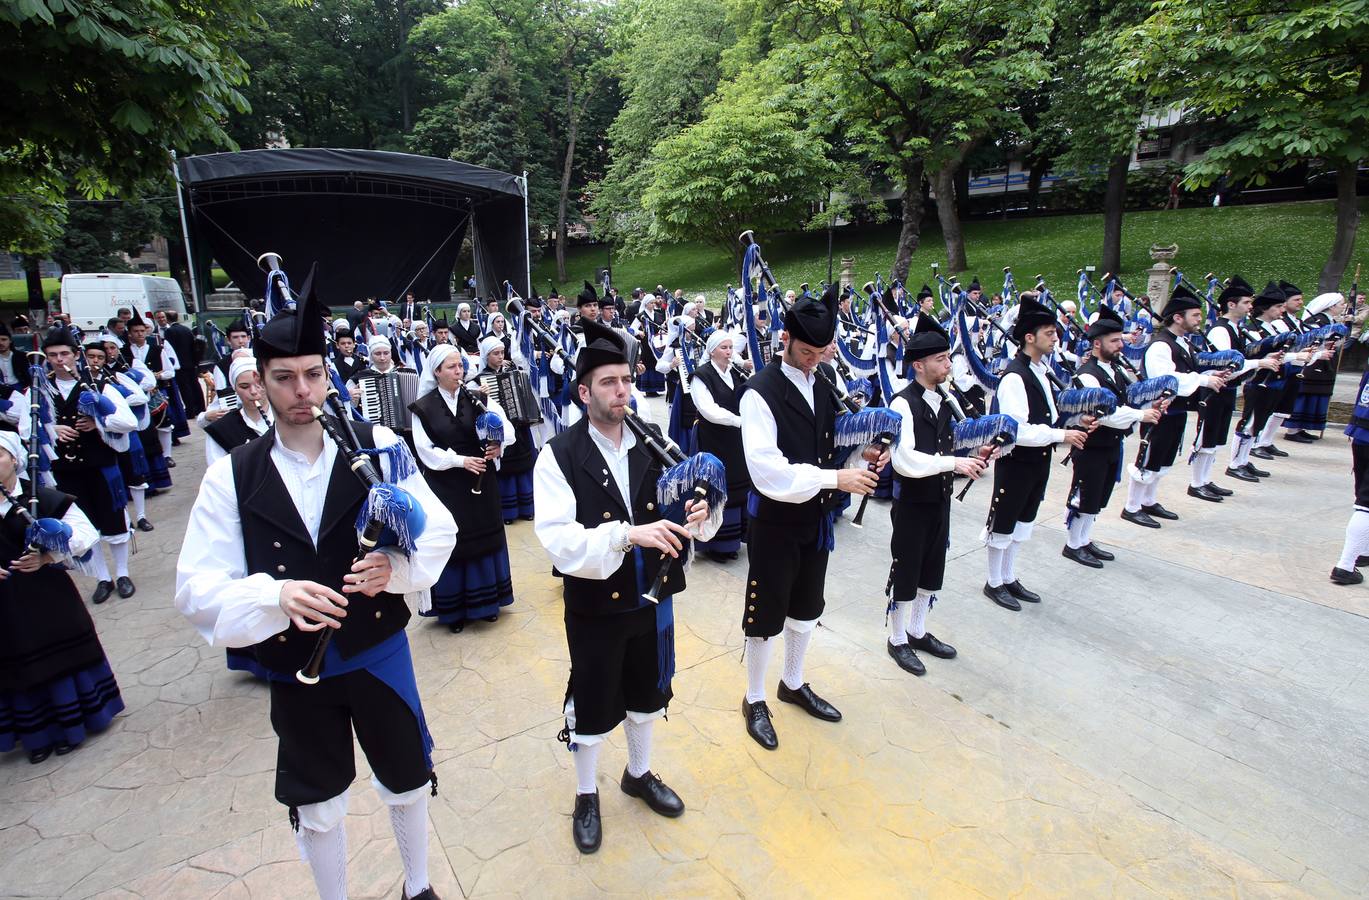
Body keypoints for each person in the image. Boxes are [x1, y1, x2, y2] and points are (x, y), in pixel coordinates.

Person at [175, 277, 457, 900]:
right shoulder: (231, 475)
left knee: (407, 779)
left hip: (380, 654)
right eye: (283, 378)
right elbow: (195, 586)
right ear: (260, 381)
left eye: (312, 374)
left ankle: (418, 886)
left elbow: (437, 527)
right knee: (320, 801)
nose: (301, 392)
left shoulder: (377, 445)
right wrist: (273, 598)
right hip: (294, 667)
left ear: (328, 374)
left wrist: (397, 570)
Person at [533, 317, 716, 854]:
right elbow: (559, 542)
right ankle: (586, 793)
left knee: (646, 690)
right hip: (595, 604)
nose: (622, 391)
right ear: (585, 391)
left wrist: (700, 511)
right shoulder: (559, 455)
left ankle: (638, 773)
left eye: (626, 380)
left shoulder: (651, 440)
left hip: (653, 601)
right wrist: (626, 536)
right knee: (591, 700)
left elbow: (688, 510)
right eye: (609, 383)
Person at [739, 284, 884, 751]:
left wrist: (865, 451)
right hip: (776, 522)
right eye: (806, 350)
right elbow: (767, 472)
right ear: (785, 339)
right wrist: (835, 480)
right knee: (765, 615)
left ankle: (793, 682)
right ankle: (754, 696)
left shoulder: (821, 381)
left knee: (806, 608)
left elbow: (831, 439)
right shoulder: (757, 393)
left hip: (815, 520)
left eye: (822, 352)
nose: (813, 360)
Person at [0, 429, 123, 764]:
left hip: (47, 599)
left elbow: (85, 535)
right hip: (5, 608)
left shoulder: (43, 499)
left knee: (56, 660)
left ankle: (71, 726)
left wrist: (50, 554)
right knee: (15, 664)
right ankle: (35, 736)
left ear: (14, 459)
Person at [885, 317, 986, 675]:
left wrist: (975, 449)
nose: (948, 365)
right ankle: (897, 638)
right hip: (912, 501)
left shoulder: (943, 398)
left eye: (948, 358)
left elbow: (950, 439)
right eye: (941, 359)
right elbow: (905, 459)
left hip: (939, 497)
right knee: (907, 568)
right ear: (918, 365)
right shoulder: (902, 403)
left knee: (932, 568)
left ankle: (917, 629)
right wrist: (954, 463)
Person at [982, 296, 1090, 610]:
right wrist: (1062, 434)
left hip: (1037, 460)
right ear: (1029, 337)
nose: (1056, 337)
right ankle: (993, 582)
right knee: (1002, 523)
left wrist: (1073, 421)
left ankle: (1008, 576)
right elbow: (1019, 429)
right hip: (1017, 461)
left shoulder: (1040, 370)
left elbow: (1044, 414)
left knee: (1022, 522)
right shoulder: (1015, 376)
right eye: (1049, 333)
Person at [409, 344, 516, 633]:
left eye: (461, 366)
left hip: (482, 477)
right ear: (437, 372)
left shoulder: (478, 396)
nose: (459, 372)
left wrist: (497, 444)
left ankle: (488, 603)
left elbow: (508, 430)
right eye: (452, 367)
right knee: (453, 541)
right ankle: (453, 610)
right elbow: (425, 450)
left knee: (485, 538)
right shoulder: (423, 406)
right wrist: (460, 461)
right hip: (447, 483)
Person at [43, 329, 139, 603]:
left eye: (64, 354)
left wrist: (98, 422)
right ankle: (102, 578)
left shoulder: (97, 385)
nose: (59, 360)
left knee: (113, 519)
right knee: (85, 524)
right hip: (66, 470)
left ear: (76, 355)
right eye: (53, 355)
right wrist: (53, 429)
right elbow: (27, 428)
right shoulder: (40, 389)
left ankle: (122, 574)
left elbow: (128, 422)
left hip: (101, 466)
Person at [1120, 286, 1228, 528]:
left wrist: (1211, 372)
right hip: (1159, 411)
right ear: (1178, 317)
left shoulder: (1182, 342)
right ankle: (1132, 506)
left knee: (1163, 459)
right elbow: (1166, 380)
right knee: (1147, 459)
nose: (1200, 320)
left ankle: (1148, 500)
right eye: (1195, 315)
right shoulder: (1161, 345)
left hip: (1176, 411)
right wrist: (1203, 380)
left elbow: (1189, 370)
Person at [1062, 307, 1159, 566]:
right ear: (1097, 343)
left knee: (1098, 496)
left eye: (1120, 340)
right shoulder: (1087, 375)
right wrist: (1140, 416)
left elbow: (1128, 399)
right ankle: (1072, 544)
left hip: (1111, 444)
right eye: (1114, 341)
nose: (1120, 345)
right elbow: (1103, 414)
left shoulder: (1115, 370)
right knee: (1085, 495)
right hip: (1092, 445)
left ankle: (1084, 539)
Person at [1198, 277, 1278, 489]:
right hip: (1214, 391)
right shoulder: (1220, 330)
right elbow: (1227, 367)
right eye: (1246, 302)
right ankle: (1197, 483)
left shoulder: (1234, 328)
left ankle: (1204, 480)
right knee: (1206, 439)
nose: (1251, 307)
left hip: (1227, 390)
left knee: (1215, 441)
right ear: (1231, 305)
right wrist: (1259, 362)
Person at [689, 329, 750, 562]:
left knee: (737, 486)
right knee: (716, 487)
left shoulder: (734, 372)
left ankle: (733, 541)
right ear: (712, 351)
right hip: (713, 439)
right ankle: (716, 545)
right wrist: (738, 421)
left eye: (730, 348)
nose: (728, 352)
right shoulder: (701, 376)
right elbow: (708, 410)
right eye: (724, 348)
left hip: (735, 440)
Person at [476, 336, 537, 524]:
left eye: (502, 352)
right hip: (501, 431)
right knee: (507, 471)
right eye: (495, 353)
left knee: (525, 466)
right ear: (486, 356)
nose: (500, 357)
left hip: (520, 427)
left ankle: (528, 508)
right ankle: (509, 512)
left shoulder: (513, 372)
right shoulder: (480, 380)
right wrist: (482, 395)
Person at [1284, 291, 1345, 442]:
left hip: (1324, 362)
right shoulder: (1317, 320)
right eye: (1341, 304)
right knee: (1306, 392)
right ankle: (1292, 429)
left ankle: (1301, 427)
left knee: (1315, 393)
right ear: (1331, 306)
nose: (1344, 307)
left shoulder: (1330, 320)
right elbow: (1310, 340)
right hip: (1313, 362)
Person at [123, 309, 179, 466]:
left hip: (156, 393)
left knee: (164, 425)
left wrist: (156, 376)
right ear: (130, 333)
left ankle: (167, 455)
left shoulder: (157, 349)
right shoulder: (124, 352)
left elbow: (170, 371)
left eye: (142, 330)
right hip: (135, 394)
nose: (140, 334)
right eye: (136, 331)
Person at [1332, 363, 1369, 585]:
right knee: (1366, 503)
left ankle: (1362, 550)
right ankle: (1345, 565)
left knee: (1364, 498)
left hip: (1361, 431)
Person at [204, 355, 270, 465]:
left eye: (259, 384)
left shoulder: (289, 417)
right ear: (235, 389)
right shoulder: (221, 430)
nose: (253, 391)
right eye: (244, 386)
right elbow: (218, 474)